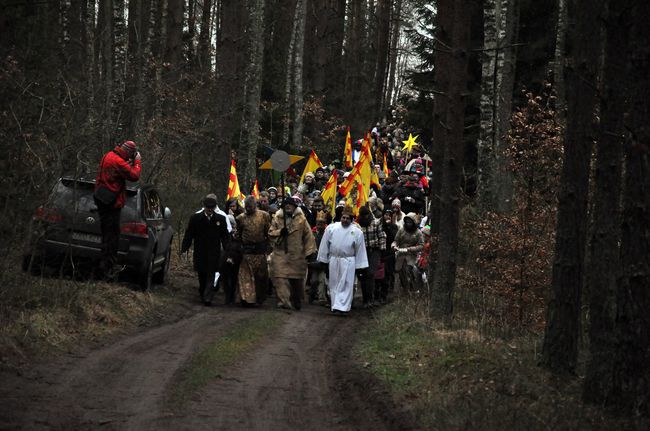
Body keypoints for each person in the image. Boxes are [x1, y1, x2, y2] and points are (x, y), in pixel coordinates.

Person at [94, 140, 142, 279]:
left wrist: (130, 163)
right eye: (131, 155)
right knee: (112, 238)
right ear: (128, 152)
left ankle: (103, 268)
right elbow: (134, 176)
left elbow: (122, 171)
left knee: (106, 236)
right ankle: (106, 271)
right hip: (111, 203)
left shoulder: (108, 155)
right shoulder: (118, 162)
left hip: (101, 198)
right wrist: (137, 162)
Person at [317, 205, 368, 315]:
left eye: (348, 218)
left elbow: (360, 250)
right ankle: (335, 305)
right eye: (343, 217)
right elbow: (325, 245)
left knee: (346, 285)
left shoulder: (357, 232)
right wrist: (323, 260)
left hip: (349, 261)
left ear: (352, 219)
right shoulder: (331, 228)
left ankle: (343, 307)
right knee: (333, 283)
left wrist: (360, 266)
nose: (345, 220)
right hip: (334, 260)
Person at [181, 194, 230, 305]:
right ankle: (203, 291)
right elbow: (189, 234)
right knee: (202, 274)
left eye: (212, 208)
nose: (209, 210)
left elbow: (225, 236)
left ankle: (208, 297)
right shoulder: (196, 218)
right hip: (200, 251)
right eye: (208, 208)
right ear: (204, 207)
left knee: (211, 274)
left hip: (214, 252)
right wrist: (185, 248)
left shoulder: (220, 219)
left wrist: (228, 250)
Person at [269, 197, 317, 310]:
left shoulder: (302, 219)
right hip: (281, 254)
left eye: (290, 205)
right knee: (280, 278)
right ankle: (284, 301)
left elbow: (308, 236)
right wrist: (280, 232)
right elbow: (270, 233)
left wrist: (309, 252)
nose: (288, 207)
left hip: (297, 255)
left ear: (295, 207)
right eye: (286, 206)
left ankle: (296, 299)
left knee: (297, 281)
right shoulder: (277, 218)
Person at [235, 196, 271, 306]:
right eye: (246, 207)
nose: (248, 209)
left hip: (260, 250)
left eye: (250, 207)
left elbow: (267, 232)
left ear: (255, 205)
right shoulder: (240, 218)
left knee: (261, 277)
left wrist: (269, 246)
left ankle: (259, 298)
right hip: (247, 251)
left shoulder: (264, 216)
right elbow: (239, 234)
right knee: (245, 276)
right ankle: (246, 299)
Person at [356, 206, 386, 308]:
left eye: (366, 215)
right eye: (363, 215)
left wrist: (382, 250)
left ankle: (371, 298)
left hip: (374, 251)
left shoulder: (376, 223)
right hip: (362, 252)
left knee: (371, 274)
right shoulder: (357, 225)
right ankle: (365, 299)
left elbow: (381, 236)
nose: (365, 217)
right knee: (363, 276)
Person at [391, 212, 424, 294]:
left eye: (410, 222)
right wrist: (394, 246)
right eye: (407, 222)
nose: (408, 224)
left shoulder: (418, 232)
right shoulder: (401, 230)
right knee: (400, 271)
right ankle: (404, 289)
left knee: (409, 270)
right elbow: (396, 240)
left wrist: (411, 249)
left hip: (411, 255)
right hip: (401, 253)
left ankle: (413, 288)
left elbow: (421, 245)